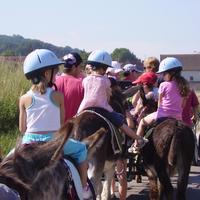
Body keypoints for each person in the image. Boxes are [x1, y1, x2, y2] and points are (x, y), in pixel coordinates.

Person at [19, 49, 91, 199]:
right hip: (52, 141)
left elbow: (22, 128)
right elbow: (60, 125)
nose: (57, 74)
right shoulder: (58, 96)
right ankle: (83, 188)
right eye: (55, 71)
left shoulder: (24, 98)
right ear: (46, 73)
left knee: (7, 162)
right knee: (81, 150)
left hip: (28, 142)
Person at [77, 50, 148, 149]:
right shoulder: (106, 81)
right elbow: (107, 97)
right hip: (102, 109)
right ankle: (138, 139)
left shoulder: (85, 80)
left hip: (84, 108)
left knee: (74, 122)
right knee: (121, 123)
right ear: (103, 68)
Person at [130, 57, 190, 152]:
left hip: (162, 114)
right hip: (178, 117)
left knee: (142, 122)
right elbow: (183, 105)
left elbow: (160, 104)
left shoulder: (164, 85)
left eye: (164, 73)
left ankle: (137, 144)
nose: (163, 76)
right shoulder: (185, 86)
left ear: (171, 73)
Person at [55, 52, 84, 122]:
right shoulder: (81, 84)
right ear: (74, 67)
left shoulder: (52, 82)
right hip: (72, 130)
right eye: (80, 67)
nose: (81, 70)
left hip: (53, 129)